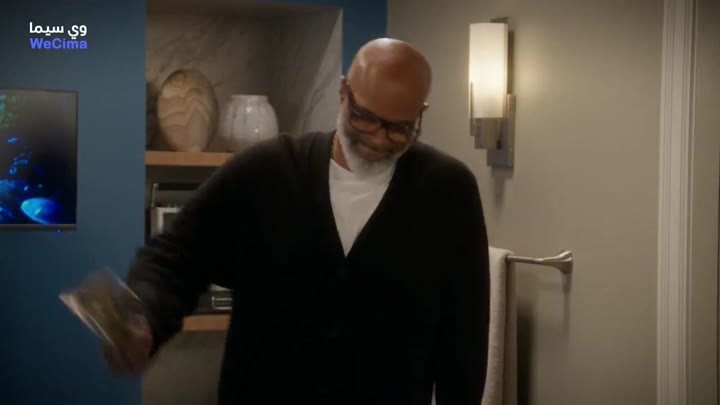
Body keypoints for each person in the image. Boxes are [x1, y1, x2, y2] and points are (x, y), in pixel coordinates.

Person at [105, 37, 490, 405]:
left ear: (421, 114)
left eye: (398, 129)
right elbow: (177, 255)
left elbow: (465, 336)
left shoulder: (447, 192)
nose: (378, 139)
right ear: (343, 92)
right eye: (364, 118)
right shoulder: (267, 171)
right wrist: (146, 316)